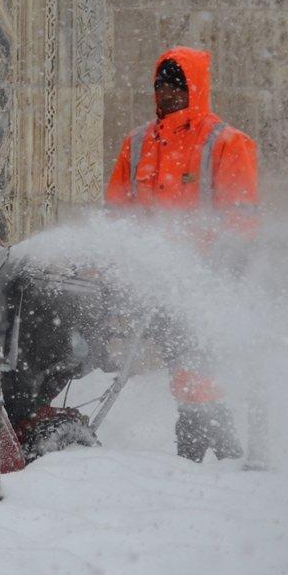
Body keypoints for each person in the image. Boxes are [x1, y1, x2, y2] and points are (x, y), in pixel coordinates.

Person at [104, 46, 259, 462]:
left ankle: (198, 437)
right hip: (149, 275)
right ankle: (212, 436)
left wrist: (214, 264)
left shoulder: (226, 144)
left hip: (204, 276)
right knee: (185, 358)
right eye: (160, 86)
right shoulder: (136, 143)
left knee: (193, 355)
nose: (166, 93)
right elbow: (117, 211)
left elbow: (240, 220)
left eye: (176, 85)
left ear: (195, 88)